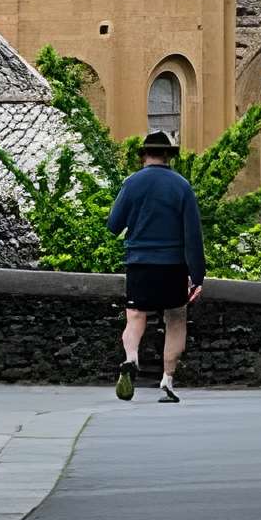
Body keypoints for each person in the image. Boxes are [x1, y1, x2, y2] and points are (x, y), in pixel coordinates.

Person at [107, 130, 206, 403]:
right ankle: (168, 379)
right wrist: (197, 275)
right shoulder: (182, 186)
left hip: (140, 263)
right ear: (167, 156)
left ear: (143, 155)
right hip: (173, 265)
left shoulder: (132, 183)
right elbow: (193, 235)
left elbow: (113, 224)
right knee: (175, 319)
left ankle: (131, 358)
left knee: (135, 316)